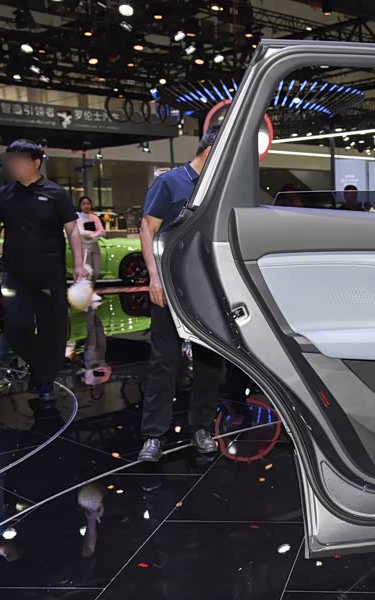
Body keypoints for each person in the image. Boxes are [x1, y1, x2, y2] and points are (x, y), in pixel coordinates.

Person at [138, 126, 223, 462]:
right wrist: (154, 277)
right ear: (212, 148)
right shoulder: (171, 182)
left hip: (208, 286)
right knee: (164, 360)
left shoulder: (219, 186)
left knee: (209, 361)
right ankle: (153, 436)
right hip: (170, 284)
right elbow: (148, 228)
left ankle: (201, 428)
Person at [0, 139, 85, 400]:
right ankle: (42, 366)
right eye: (10, 160)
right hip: (15, 274)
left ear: (36, 162)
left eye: (19, 160)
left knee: (53, 329)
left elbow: (72, 230)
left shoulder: (56, 193)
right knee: (16, 326)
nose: (13, 165)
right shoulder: (4, 194)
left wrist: (80, 264)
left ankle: (46, 380)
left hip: (50, 274)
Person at [76, 195, 109, 376]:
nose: (86, 205)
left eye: (88, 203)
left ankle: (90, 291)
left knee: (96, 272)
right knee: (87, 273)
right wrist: (91, 234)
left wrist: (94, 234)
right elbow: (80, 232)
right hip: (84, 249)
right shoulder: (77, 217)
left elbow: (101, 231)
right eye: (84, 203)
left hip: (94, 247)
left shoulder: (95, 217)